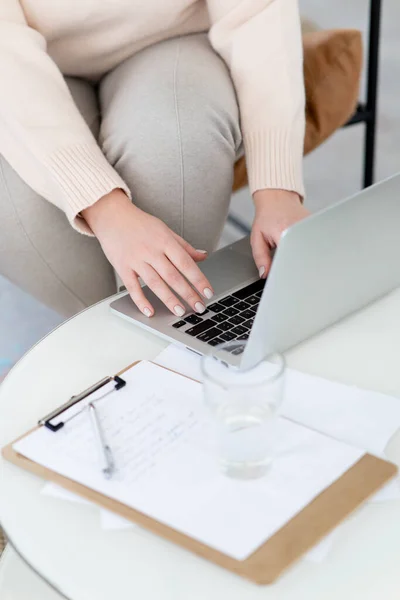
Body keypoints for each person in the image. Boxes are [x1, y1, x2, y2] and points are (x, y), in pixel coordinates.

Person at [0, 0, 309, 319]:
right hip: (23, 64)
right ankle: (129, 336)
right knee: (23, 215)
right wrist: (105, 209)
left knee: (176, 148)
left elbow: (255, 13)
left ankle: (162, 335)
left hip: (169, 36)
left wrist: (276, 189)